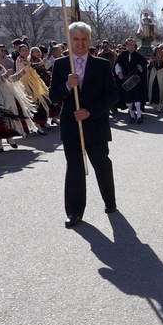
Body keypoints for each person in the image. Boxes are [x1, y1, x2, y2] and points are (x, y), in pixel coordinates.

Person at [50, 21, 119, 228]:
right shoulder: (61, 65)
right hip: (71, 126)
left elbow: (113, 96)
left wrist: (89, 111)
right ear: (69, 41)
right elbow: (53, 96)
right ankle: (74, 211)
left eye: (83, 39)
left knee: (102, 165)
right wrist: (67, 86)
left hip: (96, 125)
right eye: (75, 39)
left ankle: (110, 201)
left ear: (90, 40)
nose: (80, 43)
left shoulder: (101, 65)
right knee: (75, 168)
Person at [115, 37, 148, 124]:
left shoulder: (139, 56)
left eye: (133, 45)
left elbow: (144, 66)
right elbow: (117, 66)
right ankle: (132, 116)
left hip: (136, 81)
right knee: (128, 98)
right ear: (126, 46)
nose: (132, 47)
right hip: (126, 81)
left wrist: (141, 68)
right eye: (130, 45)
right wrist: (119, 73)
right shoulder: (122, 55)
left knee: (138, 97)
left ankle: (139, 116)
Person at [147, 45, 163, 113]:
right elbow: (149, 68)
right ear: (155, 52)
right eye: (158, 51)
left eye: (161, 51)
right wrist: (151, 63)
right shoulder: (152, 59)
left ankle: (160, 104)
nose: (160, 53)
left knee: (162, 90)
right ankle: (156, 103)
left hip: (162, 78)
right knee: (154, 90)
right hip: (154, 77)